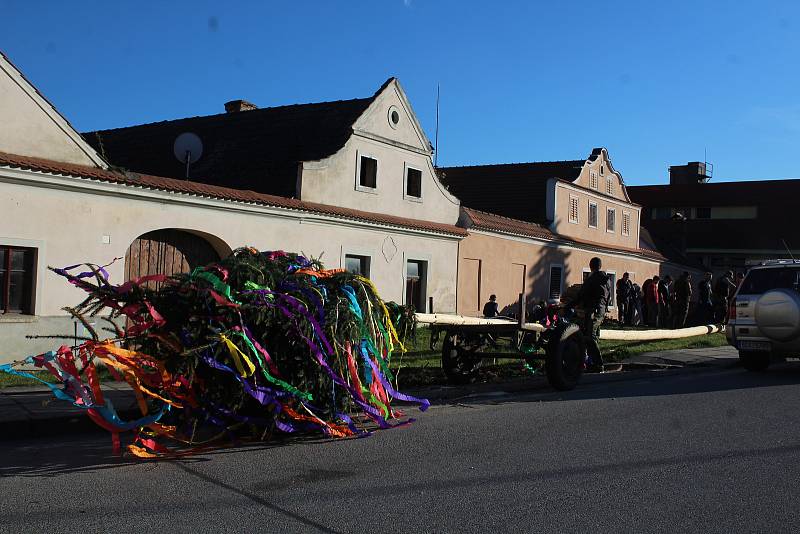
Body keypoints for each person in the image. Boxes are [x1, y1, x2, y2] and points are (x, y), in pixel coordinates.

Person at [565, 256, 613, 372]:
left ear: (591, 266)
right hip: (601, 311)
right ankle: (590, 362)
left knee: (589, 337)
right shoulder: (607, 279)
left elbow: (581, 295)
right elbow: (608, 297)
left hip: (592, 311)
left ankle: (598, 364)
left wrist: (568, 306)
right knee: (595, 337)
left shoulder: (592, 279)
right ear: (600, 266)